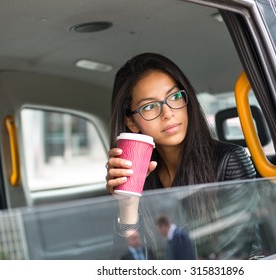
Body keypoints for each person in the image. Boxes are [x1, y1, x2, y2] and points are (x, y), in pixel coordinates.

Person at [105, 52, 258, 258]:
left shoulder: (229, 161)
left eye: (174, 96)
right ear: (132, 122)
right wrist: (127, 204)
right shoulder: (140, 176)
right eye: (150, 106)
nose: (168, 113)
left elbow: (231, 262)